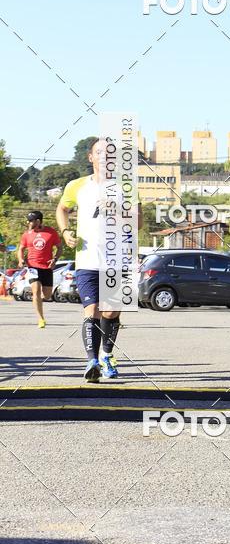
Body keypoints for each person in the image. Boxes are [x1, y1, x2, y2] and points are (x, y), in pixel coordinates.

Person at [56, 138, 140, 382]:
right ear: (90, 157)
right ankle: (91, 361)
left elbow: (140, 222)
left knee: (111, 312)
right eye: (99, 152)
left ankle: (106, 355)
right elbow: (62, 209)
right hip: (87, 260)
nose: (105, 156)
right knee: (91, 310)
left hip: (117, 261)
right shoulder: (76, 186)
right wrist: (65, 231)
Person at [17, 211, 61, 328]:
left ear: (38, 221)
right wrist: (21, 260)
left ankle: (38, 300)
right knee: (36, 290)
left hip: (46, 267)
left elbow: (59, 248)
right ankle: (41, 319)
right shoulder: (27, 234)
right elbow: (21, 249)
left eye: (30, 221)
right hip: (32, 266)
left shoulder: (51, 232)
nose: (28, 223)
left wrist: (55, 259)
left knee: (47, 295)